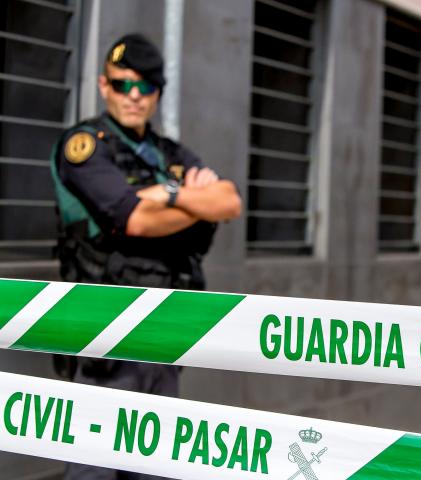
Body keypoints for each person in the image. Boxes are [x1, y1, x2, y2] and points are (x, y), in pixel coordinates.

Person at [50, 34, 242, 480]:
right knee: (95, 471)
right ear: (104, 85)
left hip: (164, 333)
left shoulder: (167, 153)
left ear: (158, 93)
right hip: (106, 337)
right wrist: (191, 199)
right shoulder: (85, 146)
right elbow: (134, 219)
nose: (133, 96)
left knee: (156, 469)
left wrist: (165, 195)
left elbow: (230, 201)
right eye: (123, 84)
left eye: (145, 87)